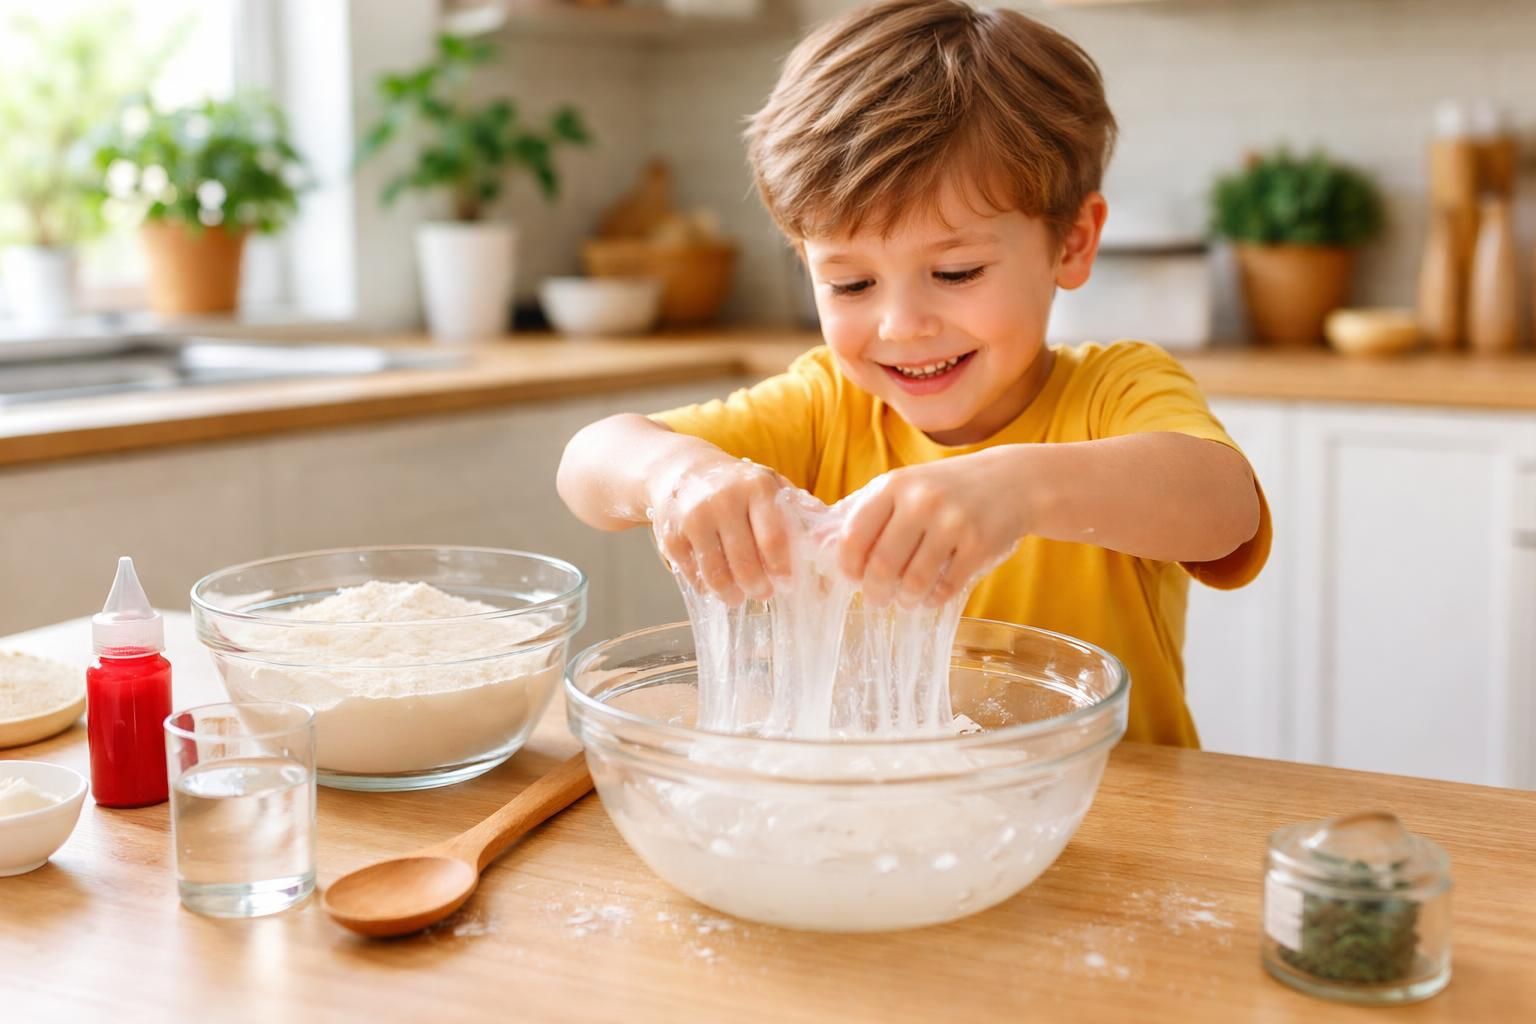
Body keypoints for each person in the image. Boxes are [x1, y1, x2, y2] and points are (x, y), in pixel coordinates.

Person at [557, 0, 1270, 747]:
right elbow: (590, 464)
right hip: (881, 820)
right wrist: (677, 476)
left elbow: (1224, 508)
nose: (902, 325)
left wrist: (1016, 490)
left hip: (1118, 821)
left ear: (1072, 243)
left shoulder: (1113, 391)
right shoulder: (823, 405)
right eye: (852, 285)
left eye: (955, 271)